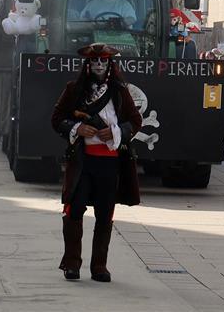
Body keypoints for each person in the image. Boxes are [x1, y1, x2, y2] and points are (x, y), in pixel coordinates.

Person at [51, 43, 142, 282]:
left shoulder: (120, 92)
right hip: (82, 161)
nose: (99, 65)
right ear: (88, 64)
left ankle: (99, 267)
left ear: (110, 64)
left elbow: (134, 121)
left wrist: (115, 132)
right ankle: (71, 264)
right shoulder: (74, 89)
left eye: (103, 61)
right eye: (94, 61)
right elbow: (57, 119)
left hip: (110, 164)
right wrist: (77, 128)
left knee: (105, 214)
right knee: (74, 210)